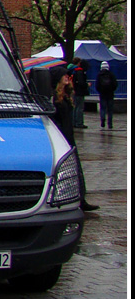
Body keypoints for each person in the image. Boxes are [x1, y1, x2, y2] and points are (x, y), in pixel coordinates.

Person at [49, 66, 98, 211]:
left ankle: (81, 197)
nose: (67, 78)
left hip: (69, 133)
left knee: (76, 167)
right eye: (64, 76)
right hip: (63, 133)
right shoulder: (54, 97)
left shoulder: (65, 94)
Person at [96, 61, 118, 130]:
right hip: (110, 94)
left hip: (102, 94)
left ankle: (102, 122)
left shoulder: (99, 75)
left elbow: (97, 85)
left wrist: (100, 91)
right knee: (110, 110)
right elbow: (115, 84)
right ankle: (110, 124)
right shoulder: (111, 74)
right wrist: (112, 90)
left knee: (103, 109)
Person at [70, 58, 90, 129]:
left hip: (74, 91)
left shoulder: (73, 70)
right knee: (79, 107)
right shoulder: (80, 72)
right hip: (79, 92)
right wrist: (87, 85)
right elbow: (81, 83)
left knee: (75, 107)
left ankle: (73, 122)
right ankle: (79, 123)